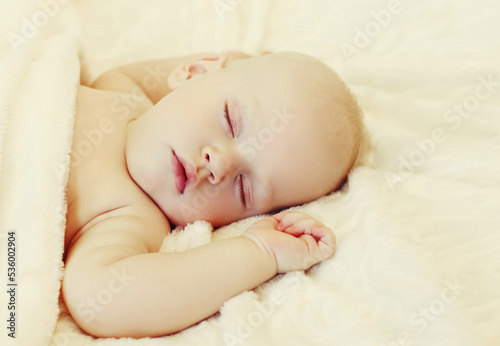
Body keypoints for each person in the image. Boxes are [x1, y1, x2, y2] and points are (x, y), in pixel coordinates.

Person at [62, 51, 363, 338]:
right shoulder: (123, 93)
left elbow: (99, 299)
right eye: (230, 120)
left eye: (243, 188)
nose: (220, 164)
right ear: (194, 72)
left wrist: (260, 252)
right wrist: (239, 57)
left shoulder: (127, 218)